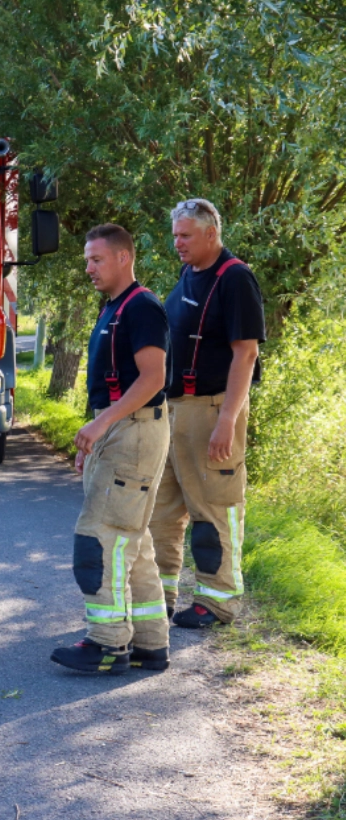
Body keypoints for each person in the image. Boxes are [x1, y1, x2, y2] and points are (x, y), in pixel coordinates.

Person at [51, 224, 172, 675]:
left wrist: (103, 422)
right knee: (131, 543)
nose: (88, 268)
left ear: (124, 258)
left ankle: (107, 644)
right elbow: (108, 382)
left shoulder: (141, 307)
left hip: (134, 432)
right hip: (121, 433)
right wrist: (96, 435)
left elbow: (153, 379)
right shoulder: (114, 308)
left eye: (96, 260)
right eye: (87, 260)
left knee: (99, 539)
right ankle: (149, 644)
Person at [150, 199, 265, 628]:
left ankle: (217, 603)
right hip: (174, 409)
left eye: (185, 236)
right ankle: (155, 597)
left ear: (211, 235)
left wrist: (226, 421)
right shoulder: (189, 273)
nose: (177, 243)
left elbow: (246, 354)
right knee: (161, 510)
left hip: (213, 408)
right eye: (175, 234)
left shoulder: (235, 278)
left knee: (214, 509)